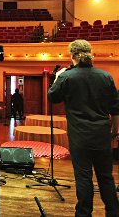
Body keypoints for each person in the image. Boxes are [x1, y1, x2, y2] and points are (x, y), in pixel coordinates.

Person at [48, 39, 119, 217]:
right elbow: (115, 107)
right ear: (90, 55)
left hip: (79, 136)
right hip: (102, 134)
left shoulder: (66, 76)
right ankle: (113, 213)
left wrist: (57, 77)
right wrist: (115, 129)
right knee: (106, 177)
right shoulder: (105, 76)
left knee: (83, 177)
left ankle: (83, 214)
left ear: (72, 56)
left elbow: (52, 97)